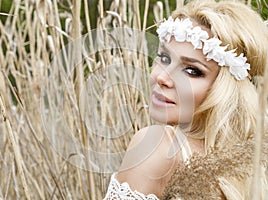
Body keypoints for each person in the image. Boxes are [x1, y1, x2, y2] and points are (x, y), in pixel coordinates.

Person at [104, 0, 268, 199]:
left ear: (226, 90)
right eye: (164, 58)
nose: (162, 78)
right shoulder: (250, 164)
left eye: (192, 71)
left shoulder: (156, 147)